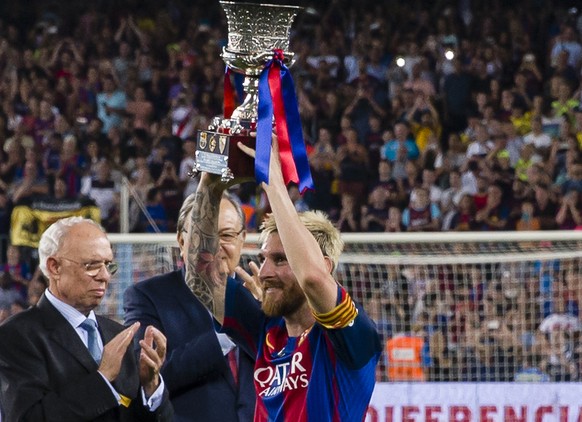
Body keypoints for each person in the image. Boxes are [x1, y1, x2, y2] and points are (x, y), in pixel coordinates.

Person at [185, 137, 382, 421]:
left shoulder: (354, 335)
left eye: (280, 260)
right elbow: (198, 274)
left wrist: (273, 182)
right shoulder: (265, 328)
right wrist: (209, 187)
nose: (264, 272)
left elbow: (312, 278)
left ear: (326, 265)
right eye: (265, 258)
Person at [0, 217, 173, 421]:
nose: (105, 276)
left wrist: (151, 387)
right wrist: (102, 378)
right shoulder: (16, 335)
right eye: (92, 265)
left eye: (108, 265)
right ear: (55, 267)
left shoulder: (117, 334)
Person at [123, 192, 256, 422]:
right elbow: (148, 378)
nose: (214, 246)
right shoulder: (147, 296)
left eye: (226, 235)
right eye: (203, 236)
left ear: (242, 239)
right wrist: (229, 333)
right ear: (182, 241)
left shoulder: (261, 299)